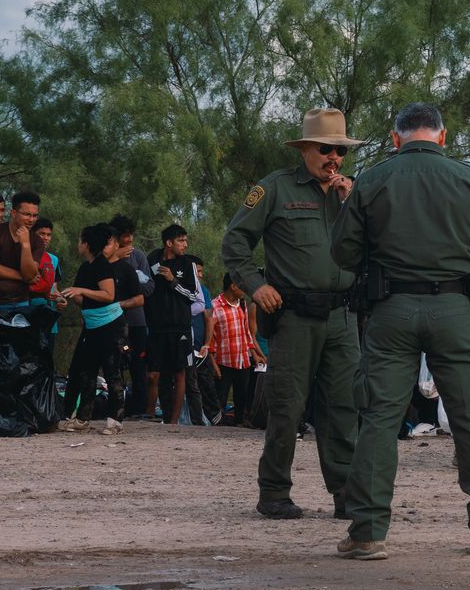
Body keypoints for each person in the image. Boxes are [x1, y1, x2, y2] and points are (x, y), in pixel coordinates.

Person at [331, 102, 470, 559]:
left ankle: (368, 532)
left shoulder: (371, 180)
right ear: (443, 137)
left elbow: (344, 253)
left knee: (379, 419)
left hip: (390, 310)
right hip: (454, 308)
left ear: (396, 139)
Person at [220, 107, 363, 521]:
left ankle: (346, 494)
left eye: (339, 150)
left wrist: (353, 204)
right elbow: (235, 243)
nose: (333, 158)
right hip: (295, 316)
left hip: (342, 316)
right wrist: (256, 286)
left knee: (342, 408)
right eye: (325, 149)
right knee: (287, 407)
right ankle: (274, 493)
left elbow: (374, 245)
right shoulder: (276, 189)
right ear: (305, 150)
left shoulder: (352, 194)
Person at [57, 224, 127, 434]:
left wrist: (82, 290)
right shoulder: (86, 267)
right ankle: (82, 418)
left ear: (86, 244)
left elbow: (108, 294)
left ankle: (116, 419)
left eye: (80, 240)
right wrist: (66, 295)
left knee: (112, 371)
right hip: (92, 326)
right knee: (86, 372)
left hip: (110, 326)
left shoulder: (102, 265)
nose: (78, 244)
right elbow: (81, 298)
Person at [142, 224, 201, 425]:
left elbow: (193, 295)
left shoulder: (188, 265)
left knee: (179, 373)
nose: (185, 244)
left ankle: (174, 422)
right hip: (156, 327)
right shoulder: (152, 259)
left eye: (185, 240)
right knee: (154, 374)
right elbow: (144, 284)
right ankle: (150, 414)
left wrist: (173, 281)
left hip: (180, 328)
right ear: (169, 243)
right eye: (181, 240)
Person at [106, 214, 155, 418]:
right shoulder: (106, 256)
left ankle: (140, 409)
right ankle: (113, 408)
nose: (129, 240)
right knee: (113, 365)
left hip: (137, 320)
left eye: (131, 235)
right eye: (125, 236)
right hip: (112, 320)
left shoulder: (139, 257)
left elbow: (150, 286)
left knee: (138, 366)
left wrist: (131, 287)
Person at [206, 274, 263, 427]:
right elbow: (210, 339)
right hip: (223, 361)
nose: (244, 290)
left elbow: (247, 333)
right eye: (242, 286)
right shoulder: (215, 306)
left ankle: (239, 423)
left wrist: (254, 354)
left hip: (242, 360)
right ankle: (217, 426)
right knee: (221, 397)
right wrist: (213, 364)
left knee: (242, 397)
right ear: (233, 286)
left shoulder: (242, 305)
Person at [0, 191, 42, 313]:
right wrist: (22, 277)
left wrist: (26, 245)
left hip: (20, 303)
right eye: (27, 214)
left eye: (35, 215)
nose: (31, 219)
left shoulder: (37, 241)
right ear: (14, 213)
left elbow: (29, 275)